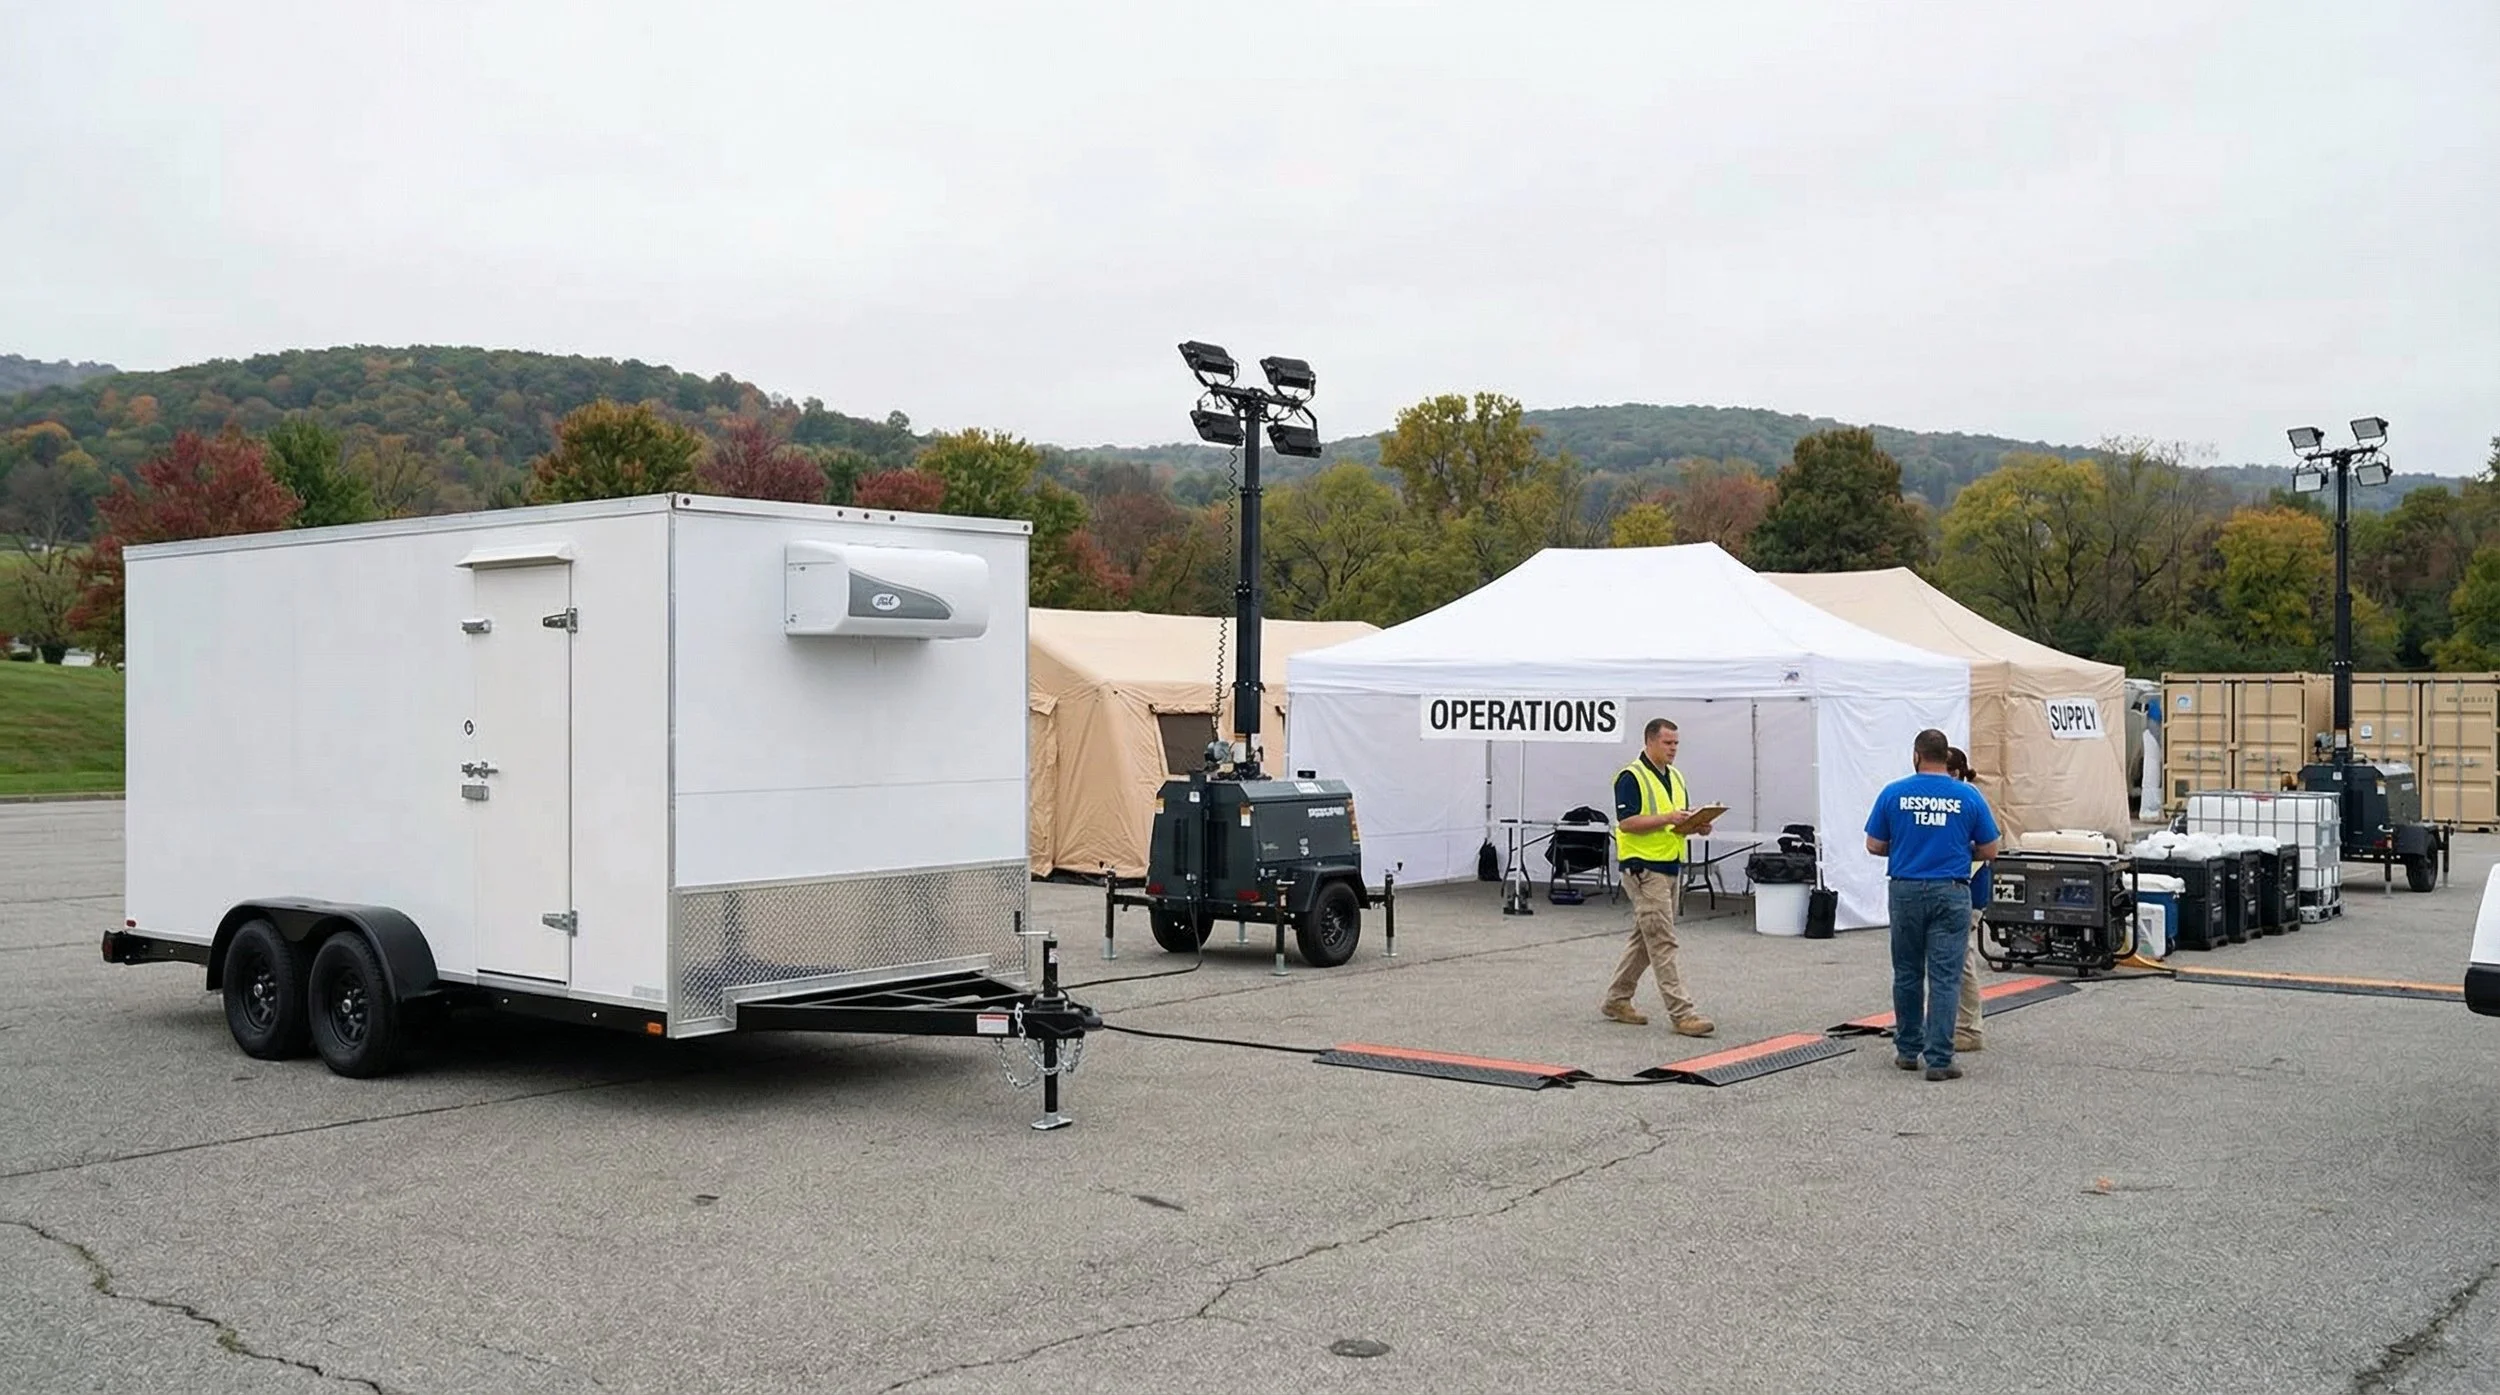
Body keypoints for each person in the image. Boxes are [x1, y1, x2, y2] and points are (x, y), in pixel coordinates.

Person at [1863, 728, 2001, 1081]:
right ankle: (1940, 1058)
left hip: (1906, 890)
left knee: (1907, 972)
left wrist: (1909, 846)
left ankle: (1908, 1049)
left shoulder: (1894, 793)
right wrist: (1957, 849)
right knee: (1945, 977)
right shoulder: (1967, 796)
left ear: (1916, 755)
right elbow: (1990, 850)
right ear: (1946, 757)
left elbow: (1875, 845)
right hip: (1951, 890)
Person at [1598, 717, 1716, 1037]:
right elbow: (1627, 822)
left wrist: (1697, 823)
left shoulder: (1675, 776)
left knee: (1644, 940)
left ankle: (1617, 999)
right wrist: (1669, 817)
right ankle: (1683, 1013)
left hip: (1669, 864)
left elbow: (1675, 820)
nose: (1673, 749)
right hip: (1643, 869)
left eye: (1676, 743)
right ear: (1650, 741)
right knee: (1663, 941)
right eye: (1667, 743)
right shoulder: (1630, 776)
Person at [1944, 746, 1989, 1053]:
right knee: (1955, 959)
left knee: (1961, 959)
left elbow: (1987, 845)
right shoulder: (1958, 797)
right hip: (1954, 885)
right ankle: (1954, 1024)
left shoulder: (1969, 799)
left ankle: (1969, 1029)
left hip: (1969, 887)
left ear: (1956, 773)